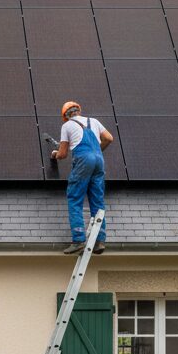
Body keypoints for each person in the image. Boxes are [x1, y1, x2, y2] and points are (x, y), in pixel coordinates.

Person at [51, 100, 114, 255]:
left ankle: (78, 239)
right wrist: (96, 151)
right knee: (97, 200)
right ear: (78, 110)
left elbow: (63, 153)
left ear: (65, 116)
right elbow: (109, 138)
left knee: (75, 198)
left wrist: (55, 154)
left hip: (84, 161)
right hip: (99, 161)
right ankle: (99, 241)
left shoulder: (67, 126)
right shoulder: (94, 121)